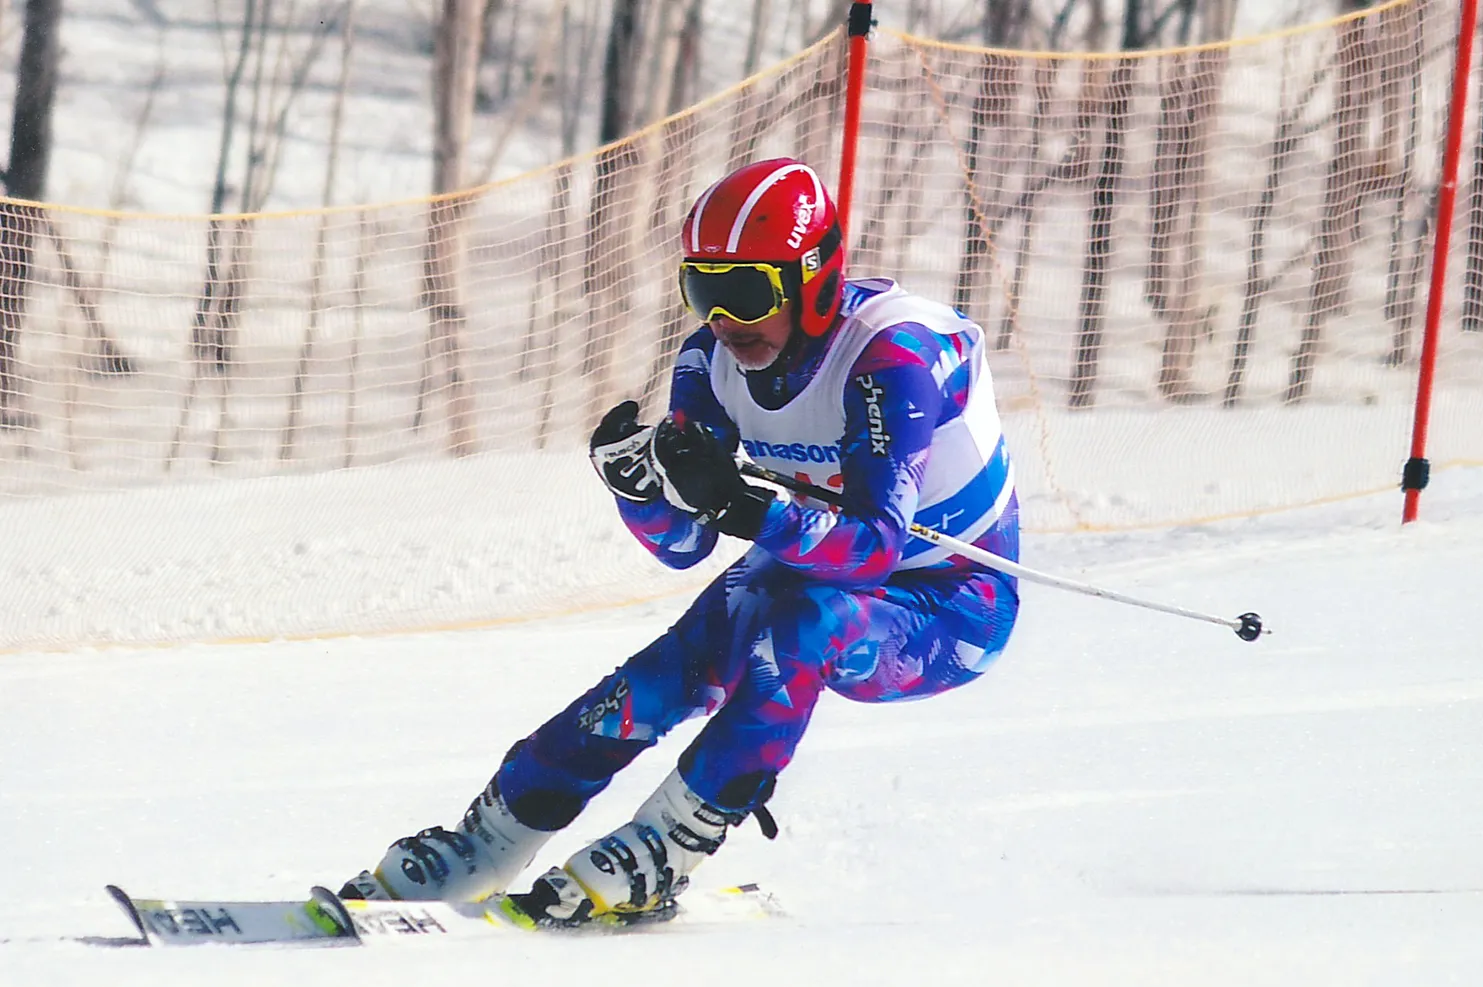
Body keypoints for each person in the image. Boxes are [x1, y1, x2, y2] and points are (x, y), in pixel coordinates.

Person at [340, 157, 1022, 926]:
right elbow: (684, 546)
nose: (723, 319)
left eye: (745, 292)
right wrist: (644, 493)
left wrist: (745, 507)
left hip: (946, 600)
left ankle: (667, 848)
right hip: (810, 565)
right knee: (674, 665)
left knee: (807, 629)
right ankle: (486, 842)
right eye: (703, 288)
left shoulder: (889, 361)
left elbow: (872, 550)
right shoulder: (710, 361)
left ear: (814, 280)